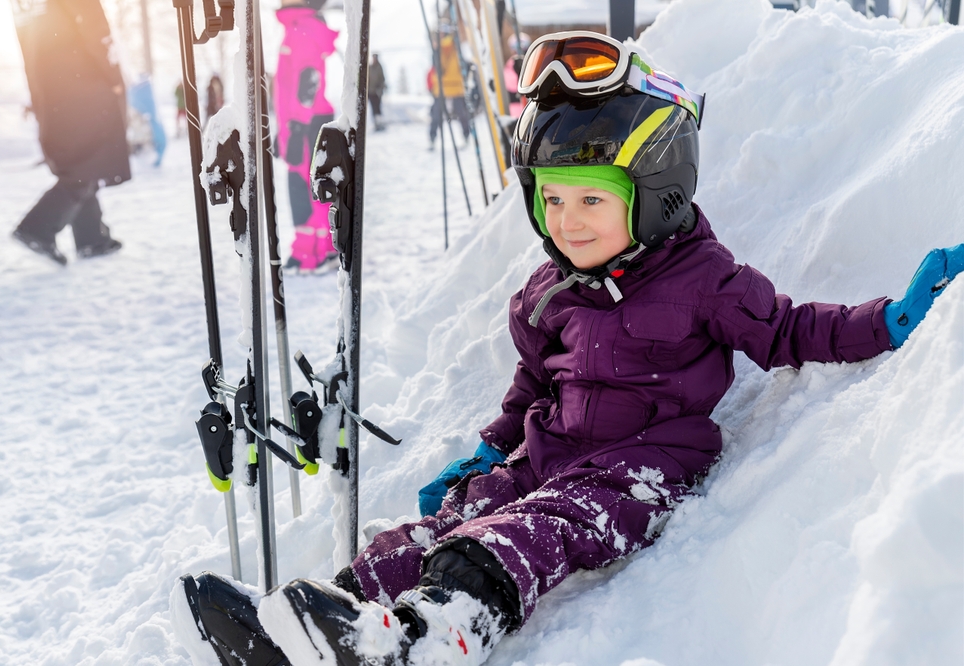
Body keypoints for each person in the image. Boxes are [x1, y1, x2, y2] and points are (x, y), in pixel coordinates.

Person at [171, 32, 964, 666]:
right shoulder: (551, 288)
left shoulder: (706, 279)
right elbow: (528, 383)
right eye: (553, 198)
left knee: (520, 534)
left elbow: (790, 329)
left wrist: (887, 317)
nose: (569, 220)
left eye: (592, 199)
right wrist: (486, 452)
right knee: (445, 524)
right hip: (547, 455)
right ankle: (316, 621)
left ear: (659, 194)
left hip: (641, 466)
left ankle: (433, 640)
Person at [11, 0, 129, 266]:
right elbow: (95, 27)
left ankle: (92, 239)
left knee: (83, 158)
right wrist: (113, 77)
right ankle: (37, 228)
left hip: (50, 87)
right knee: (87, 159)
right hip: (82, 83)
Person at [274, 0, 340, 273]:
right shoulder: (300, 27)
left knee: (306, 186)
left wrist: (298, 127)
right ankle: (312, 249)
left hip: (305, 123)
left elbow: (308, 80)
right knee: (303, 186)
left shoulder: (303, 29)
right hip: (299, 122)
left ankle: (315, 253)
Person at [427, 29, 471, 149]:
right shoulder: (454, 48)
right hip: (453, 86)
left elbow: (436, 69)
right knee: (461, 113)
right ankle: (466, 135)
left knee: (437, 114)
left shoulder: (444, 49)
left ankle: (432, 138)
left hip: (446, 87)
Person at [367, 53, 386, 130]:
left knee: (377, 108)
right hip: (370, 92)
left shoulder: (379, 67)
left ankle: (379, 123)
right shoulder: (370, 67)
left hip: (377, 92)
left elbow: (382, 79)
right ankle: (375, 123)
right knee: (373, 107)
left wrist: (380, 87)